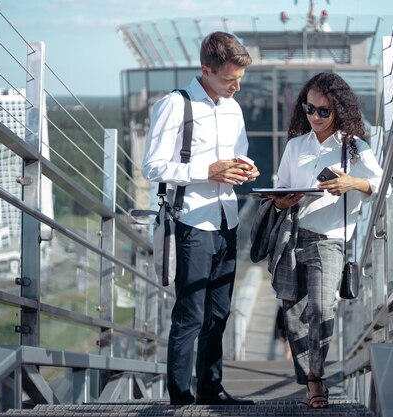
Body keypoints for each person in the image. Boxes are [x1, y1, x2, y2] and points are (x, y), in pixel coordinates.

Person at [141, 31, 258, 406]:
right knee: (190, 313)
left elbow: (239, 156)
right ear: (205, 70)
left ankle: (212, 388)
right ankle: (180, 398)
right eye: (229, 79)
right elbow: (153, 166)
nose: (237, 87)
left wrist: (246, 169)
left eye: (240, 79)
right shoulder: (175, 106)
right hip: (191, 220)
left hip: (227, 220)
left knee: (219, 313)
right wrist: (208, 171)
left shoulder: (232, 107)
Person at [266, 72, 386, 408]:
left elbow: (380, 184)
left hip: (329, 239)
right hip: (292, 236)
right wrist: (281, 200)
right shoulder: (295, 146)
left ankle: (318, 380)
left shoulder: (354, 147)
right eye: (310, 109)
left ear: (339, 110)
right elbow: (281, 190)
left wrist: (352, 183)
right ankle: (311, 383)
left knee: (321, 308)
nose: (315, 117)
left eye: (323, 111)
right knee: (292, 312)